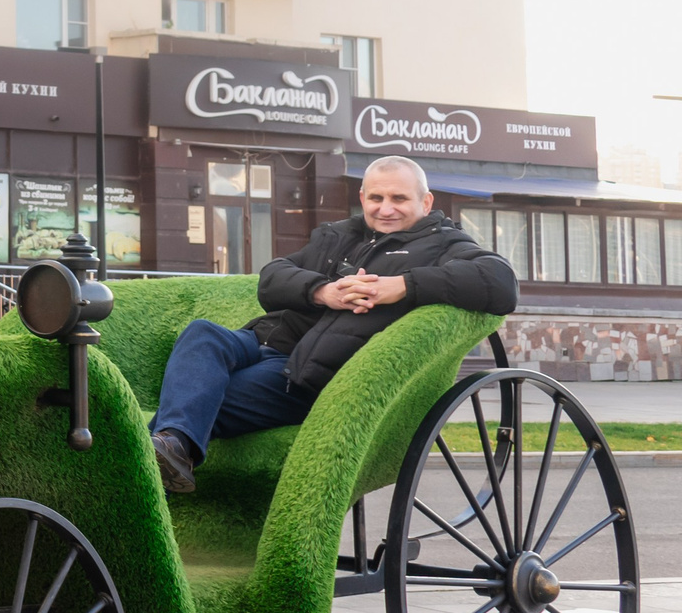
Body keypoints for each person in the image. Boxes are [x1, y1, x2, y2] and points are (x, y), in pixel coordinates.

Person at [149, 154, 518, 494]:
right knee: (202, 334)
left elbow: (501, 281)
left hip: (302, 377)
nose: (385, 209)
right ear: (362, 197)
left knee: (201, 395)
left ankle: (168, 449)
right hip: (262, 341)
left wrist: (402, 286)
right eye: (376, 198)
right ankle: (174, 447)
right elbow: (273, 276)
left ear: (426, 202)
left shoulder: (443, 244)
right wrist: (323, 291)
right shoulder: (338, 235)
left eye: (399, 199)